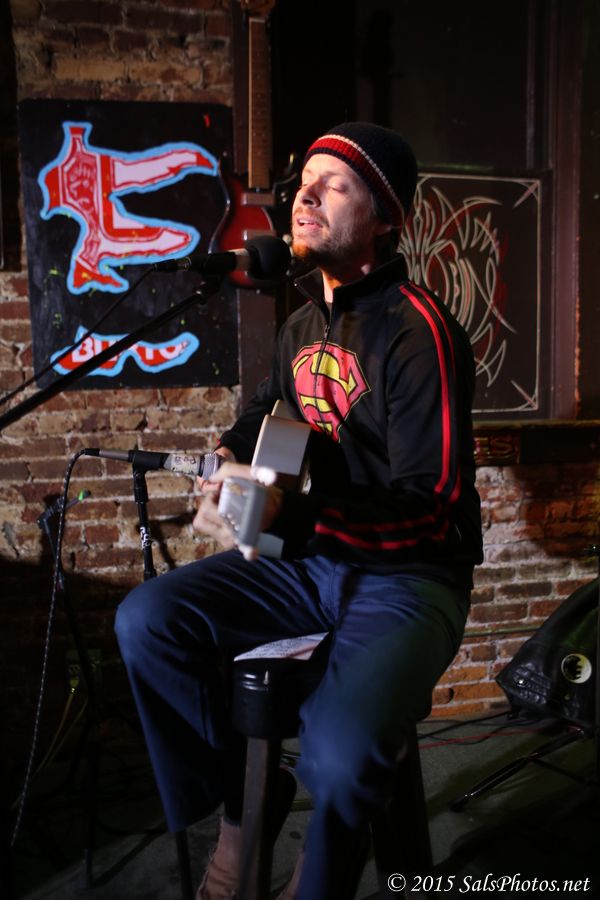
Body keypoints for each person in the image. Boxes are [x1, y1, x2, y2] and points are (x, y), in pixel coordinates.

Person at [115, 121, 483, 900]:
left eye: (334, 185)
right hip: (312, 563)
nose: (305, 197)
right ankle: (244, 808)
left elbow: (438, 510)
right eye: (304, 183)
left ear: (383, 220)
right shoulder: (299, 326)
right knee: (149, 621)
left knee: (340, 750)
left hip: (410, 579)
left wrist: (294, 517)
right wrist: (229, 455)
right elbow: (263, 415)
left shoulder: (421, 332)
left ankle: (324, 872)